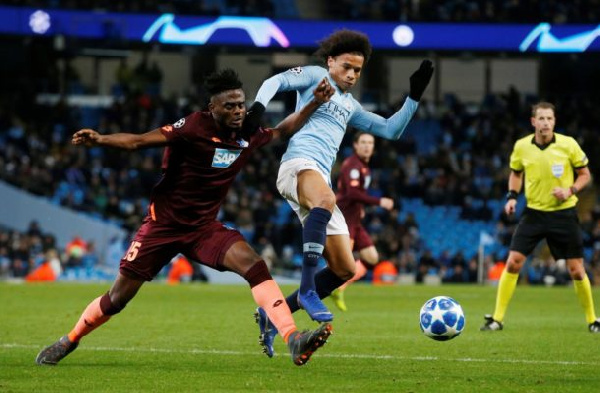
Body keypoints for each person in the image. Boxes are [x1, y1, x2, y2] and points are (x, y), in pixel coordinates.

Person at [35, 69, 335, 367]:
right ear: (212, 108)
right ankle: (70, 339)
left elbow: (282, 131)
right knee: (117, 298)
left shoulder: (248, 135)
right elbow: (139, 141)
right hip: (162, 226)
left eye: (241, 104)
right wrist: (101, 140)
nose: (237, 111)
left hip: (203, 228)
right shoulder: (193, 127)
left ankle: (292, 338)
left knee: (255, 266)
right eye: (229, 106)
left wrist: (313, 104)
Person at [249, 29, 433, 357]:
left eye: (358, 70)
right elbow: (276, 81)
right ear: (331, 62)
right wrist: (258, 108)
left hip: (320, 181)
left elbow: (391, 130)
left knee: (345, 269)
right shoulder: (316, 76)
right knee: (326, 199)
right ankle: (307, 290)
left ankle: (271, 315)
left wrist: (414, 97)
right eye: (346, 66)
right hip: (297, 165)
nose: (351, 75)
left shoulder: (350, 106)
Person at [480, 101, 600, 333]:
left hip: (563, 214)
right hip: (534, 214)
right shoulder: (522, 147)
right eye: (541, 119)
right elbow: (516, 173)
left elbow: (585, 175)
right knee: (514, 261)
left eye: (549, 119)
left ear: (554, 122)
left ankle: (593, 320)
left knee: (576, 269)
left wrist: (570, 190)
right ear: (533, 121)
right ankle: (496, 319)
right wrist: (512, 196)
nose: (545, 123)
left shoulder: (569, 145)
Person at [329, 131, 395, 311]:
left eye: (370, 143)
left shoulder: (363, 166)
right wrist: (379, 201)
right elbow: (352, 193)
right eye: (363, 142)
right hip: (344, 220)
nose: (367, 146)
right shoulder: (352, 165)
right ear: (356, 145)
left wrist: (361, 209)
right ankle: (317, 292)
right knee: (342, 264)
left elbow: (355, 195)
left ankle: (339, 289)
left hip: (355, 219)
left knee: (371, 257)